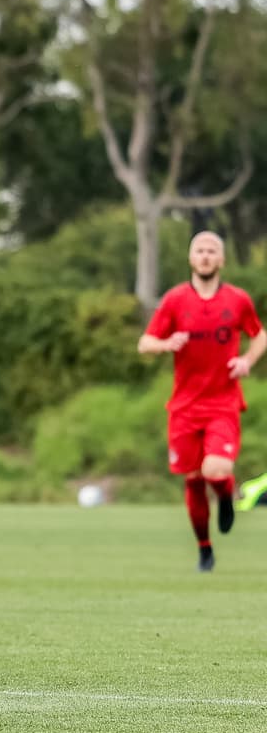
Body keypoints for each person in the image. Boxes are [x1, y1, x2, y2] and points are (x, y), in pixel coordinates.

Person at [138, 230, 264, 572]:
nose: (206, 255)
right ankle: (205, 550)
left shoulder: (237, 300)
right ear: (191, 258)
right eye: (200, 250)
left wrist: (247, 361)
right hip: (183, 408)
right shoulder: (175, 300)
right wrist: (166, 344)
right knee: (193, 479)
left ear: (221, 260)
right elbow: (144, 343)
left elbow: (260, 334)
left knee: (216, 469)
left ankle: (226, 495)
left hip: (223, 404)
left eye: (212, 250)